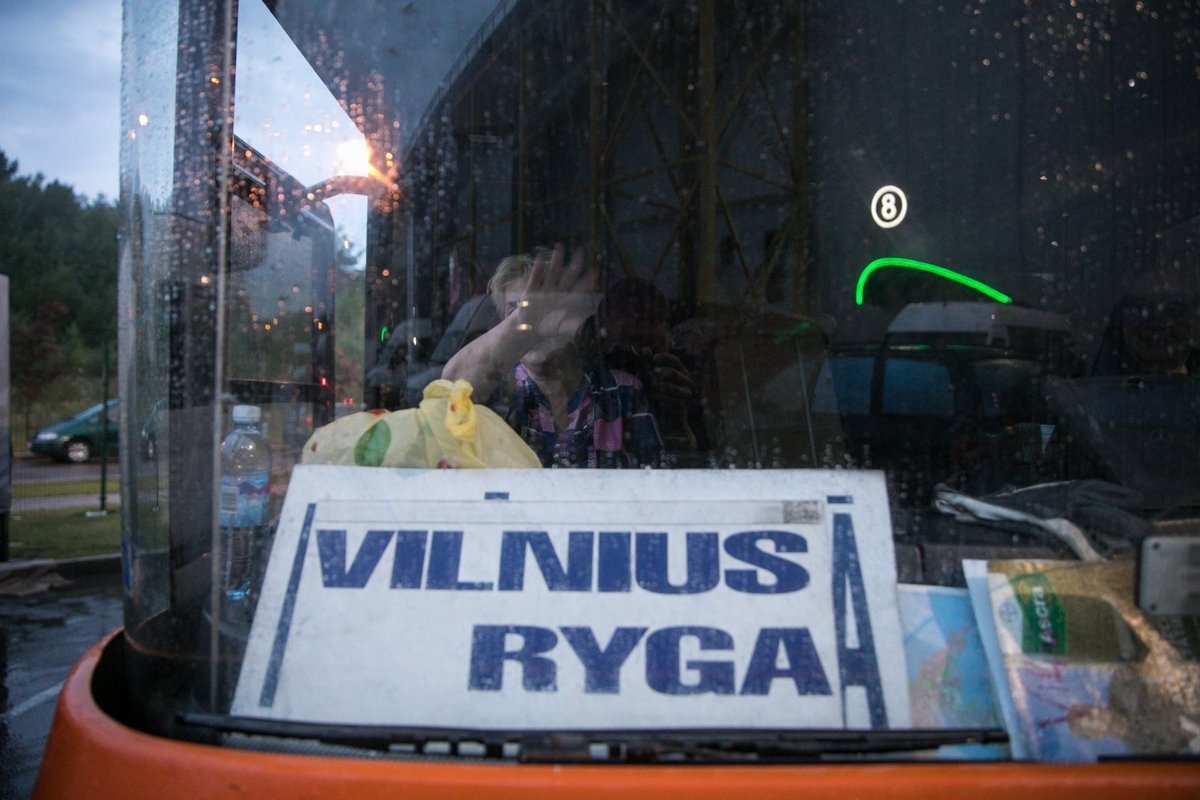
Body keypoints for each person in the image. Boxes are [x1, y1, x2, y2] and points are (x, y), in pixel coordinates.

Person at [442, 245, 663, 468]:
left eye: (546, 310)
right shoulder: (495, 391)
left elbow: (656, 480)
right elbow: (449, 388)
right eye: (516, 312)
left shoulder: (623, 392)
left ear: (574, 317)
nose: (533, 325)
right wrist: (524, 321)